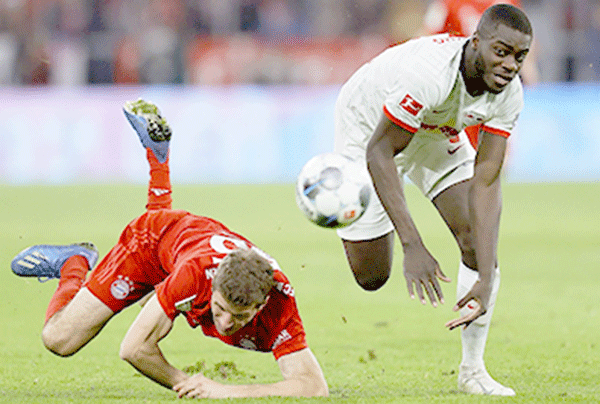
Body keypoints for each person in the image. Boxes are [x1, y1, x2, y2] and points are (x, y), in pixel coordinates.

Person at [11, 99, 328, 399]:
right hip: (149, 244)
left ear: (262, 305)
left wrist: (226, 391)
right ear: (213, 286)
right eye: (219, 309)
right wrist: (187, 383)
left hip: (185, 240)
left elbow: (313, 386)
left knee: (157, 295)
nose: (225, 323)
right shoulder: (194, 276)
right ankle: (74, 262)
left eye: (240, 316)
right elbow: (133, 349)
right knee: (58, 340)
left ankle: (158, 158)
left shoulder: (280, 299)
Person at [333, 4, 532, 396]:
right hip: (369, 127)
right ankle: (334, 189)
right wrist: (413, 244)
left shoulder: (509, 95)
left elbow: (487, 181)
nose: (510, 65)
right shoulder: (428, 74)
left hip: (434, 130)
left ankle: (472, 371)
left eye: (519, 56)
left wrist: (486, 276)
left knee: (476, 239)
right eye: (501, 52)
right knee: (371, 276)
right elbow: (379, 152)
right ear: (476, 43)